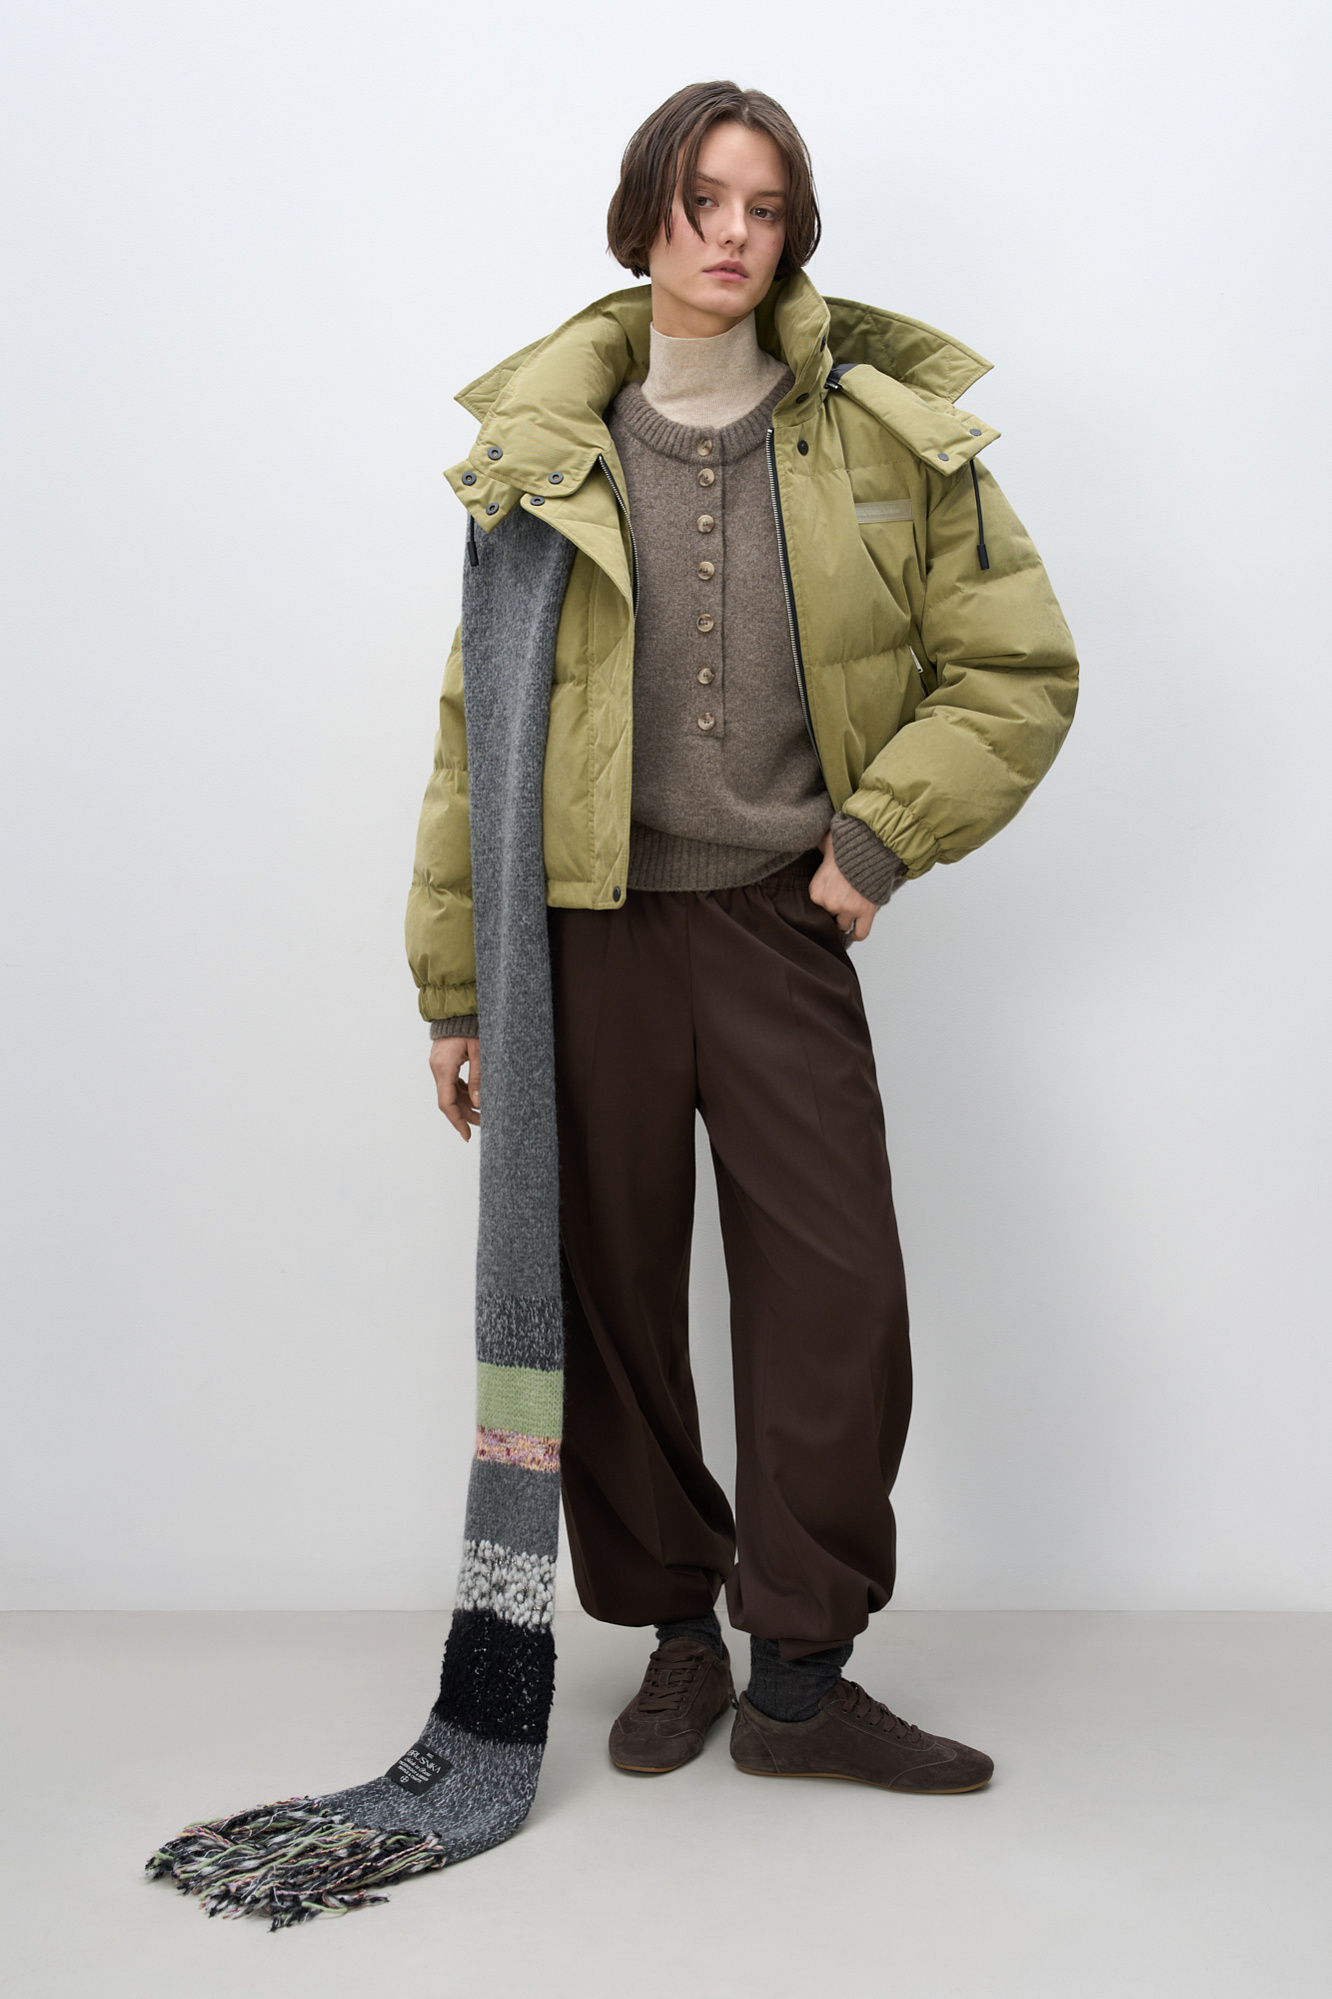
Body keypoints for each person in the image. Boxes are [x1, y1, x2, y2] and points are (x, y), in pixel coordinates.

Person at [409, 80, 1077, 1797]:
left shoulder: (875, 438)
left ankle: (800, 1678)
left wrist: (879, 836)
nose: (731, 233)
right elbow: (475, 737)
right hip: (588, 941)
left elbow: (1013, 668)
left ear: (794, 232)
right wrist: (458, 989)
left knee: (836, 1294)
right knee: (616, 1301)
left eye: (764, 207)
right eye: (703, 198)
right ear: (645, 211)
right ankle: (677, 1637)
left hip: (783, 927)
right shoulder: (545, 451)